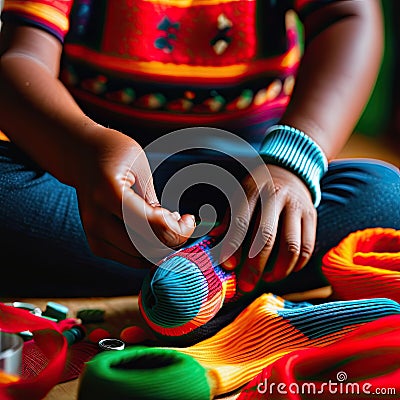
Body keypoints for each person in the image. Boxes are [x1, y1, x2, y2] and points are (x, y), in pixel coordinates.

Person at [0, 0, 399, 297]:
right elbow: (19, 59)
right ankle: (215, 275)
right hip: (93, 181)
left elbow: (345, 16)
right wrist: (83, 151)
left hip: (250, 183)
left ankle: (162, 273)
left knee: (383, 195)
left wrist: (292, 166)